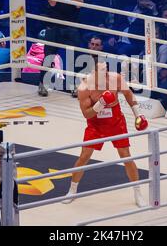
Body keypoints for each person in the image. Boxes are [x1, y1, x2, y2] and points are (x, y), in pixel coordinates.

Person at [62, 60, 148, 208]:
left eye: (106, 71)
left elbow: (129, 95)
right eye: (102, 73)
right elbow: (87, 115)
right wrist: (100, 103)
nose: (106, 76)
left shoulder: (115, 79)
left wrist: (137, 115)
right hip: (95, 124)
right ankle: (72, 190)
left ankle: (137, 193)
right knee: (84, 156)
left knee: (126, 156)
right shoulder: (84, 88)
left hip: (116, 121)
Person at [38, 0, 84, 97]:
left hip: (71, 24)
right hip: (54, 23)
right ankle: (42, 84)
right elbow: (52, 2)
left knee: (74, 56)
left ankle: (74, 86)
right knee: (48, 55)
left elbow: (79, 4)